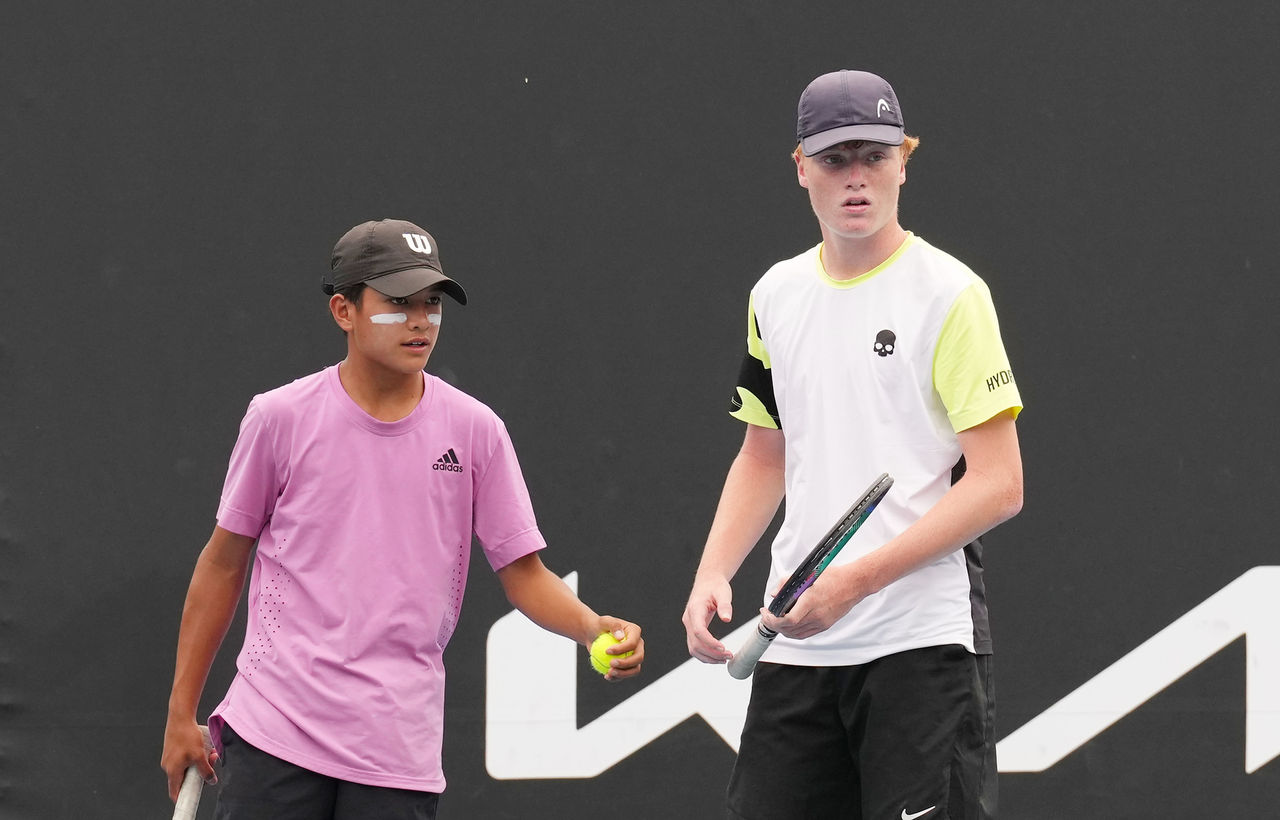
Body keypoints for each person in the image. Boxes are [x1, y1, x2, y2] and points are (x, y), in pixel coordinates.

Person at [161, 218, 644, 819]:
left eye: (432, 304)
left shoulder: (476, 431)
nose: (420, 321)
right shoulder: (277, 418)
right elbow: (223, 563)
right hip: (273, 732)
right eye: (398, 303)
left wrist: (590, 627)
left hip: (396, 750)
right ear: (344, 311)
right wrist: (182, 713)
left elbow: (525, 574)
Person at [681, 70, 1023, 819]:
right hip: (799, 650)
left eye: (875, 155)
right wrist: (714, 571)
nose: (857, 178)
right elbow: (763, 454)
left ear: (906, 155)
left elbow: (999, 484)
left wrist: (857, 582)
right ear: (801, 168)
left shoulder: (951, 295)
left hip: (920, 650)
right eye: (835, 159)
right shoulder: (774, 295)